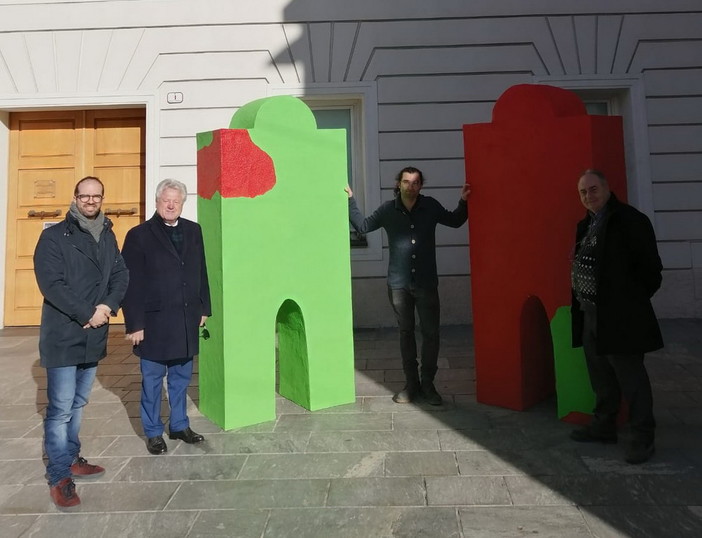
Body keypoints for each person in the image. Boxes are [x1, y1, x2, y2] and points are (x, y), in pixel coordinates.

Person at [34, 176, 129, 509]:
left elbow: (121, 275)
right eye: (84, 196)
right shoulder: (53, 237)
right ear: (75, 198)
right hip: (64, 334)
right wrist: (86, 312)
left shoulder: (107, 234)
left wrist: (106, 308)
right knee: (60, 410)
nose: (90, 201)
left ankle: (73, 457)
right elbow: (52, 284)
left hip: (94, 333)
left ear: (102, 198)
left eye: (96, 196)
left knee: (77, 404)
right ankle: (60, 476)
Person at [346, 167, 469, 405]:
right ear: (398, 184)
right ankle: (411, 385)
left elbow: (455, 221)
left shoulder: (430, 206)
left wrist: (463, 201)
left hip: (426, 283)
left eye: (415, 182)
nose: (410, 186)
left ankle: (428, 384)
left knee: (431, 334)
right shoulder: (387, 210)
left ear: (421, 185)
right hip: (399, 285)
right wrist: (350, 200)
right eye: (406, 182)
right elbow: (362, 226)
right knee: (406, 333)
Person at [570, 169, 663, 464]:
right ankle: (604, 426)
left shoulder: (630, 220)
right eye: (583, 192)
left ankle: (642, 437)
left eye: (593, 189)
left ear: (608, 188)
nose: (589, 196)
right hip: (590, 313)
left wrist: (628, 303)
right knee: (601, 376)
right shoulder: (585, 225)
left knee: (631, 380)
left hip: (620, 316)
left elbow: (651, 271)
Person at [121, 179, 211, 455]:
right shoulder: (139, 235)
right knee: (151, 380)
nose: (171, 205)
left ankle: (180, 425)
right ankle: (152, 432)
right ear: (157, 202)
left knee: (181, 378)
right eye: (166, 200)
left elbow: (201, 270)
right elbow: (130, 282)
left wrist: (204, 307)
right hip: (154, 322)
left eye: (176, 201)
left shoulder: (193, 231)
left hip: (185, 317)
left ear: (183, 203)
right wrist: (135, 324)